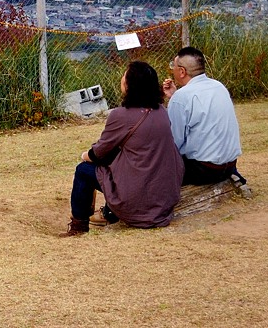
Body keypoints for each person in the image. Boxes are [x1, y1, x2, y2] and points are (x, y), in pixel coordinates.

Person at [65, 61, 184, 236]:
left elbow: (99, 153)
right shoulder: (161, 111)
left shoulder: (120, 115)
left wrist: (85, 155)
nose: (122, 78)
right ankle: (108, 213)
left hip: (137, 199)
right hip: (164, 199)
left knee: (83, 170)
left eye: (124, 75)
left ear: (130, 84)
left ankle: (78, 227)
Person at [162, 46, 243, 185]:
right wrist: (175, 96)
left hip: (204, 170)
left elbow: (174, 143)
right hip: (229, 166)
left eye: (173, 66)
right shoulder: (219, 86)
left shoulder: (181, 97)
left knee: (152, 167)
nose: (172, 69)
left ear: (182, 71)